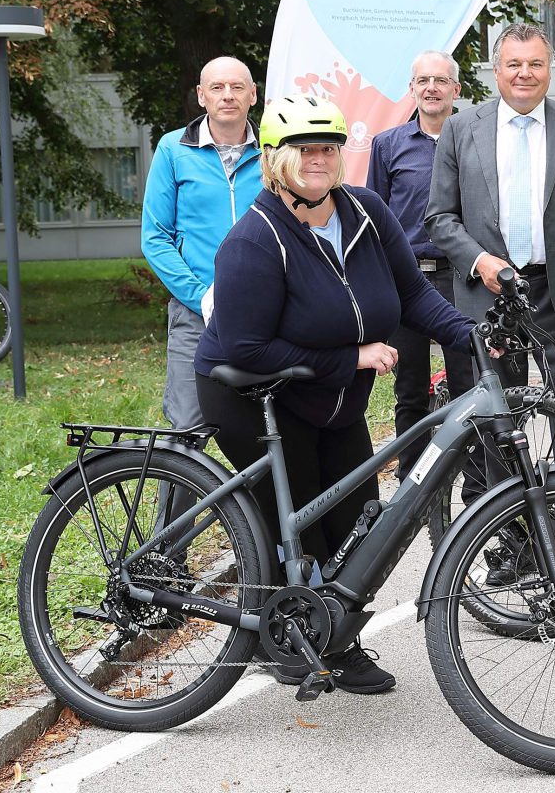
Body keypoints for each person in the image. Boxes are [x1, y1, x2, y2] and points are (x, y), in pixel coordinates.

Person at [195, 94, 474, 692]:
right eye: (304, 148)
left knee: (356, 525)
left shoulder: (366, 212)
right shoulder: (255, 239)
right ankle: (290, 640)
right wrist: (348, 357)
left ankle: (336, 638)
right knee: (298, 525)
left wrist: (469, 335)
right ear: (275, 159)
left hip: (332, 395)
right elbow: (245, 348)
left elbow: (413, 295)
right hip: (253, 395)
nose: (319, 158)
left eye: (328, 146)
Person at [425, 23, 555, 417]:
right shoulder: (460, 129)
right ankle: (506, 483)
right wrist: (480, 261)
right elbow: (440, 217)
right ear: (497, 71)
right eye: (514, 64)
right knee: (496, 421)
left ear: (549, 70)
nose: (524, 73)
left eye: (535, 63)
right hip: (489, 297)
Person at [366, 50, 473, 476]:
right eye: (423, 80)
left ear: (455, 90)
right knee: (409, 391)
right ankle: (414, 479)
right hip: (406, 282)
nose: (431, 87)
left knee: (468, 386)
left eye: (441, 80)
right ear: (412, 89)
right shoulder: (387, 145)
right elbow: (372, 216)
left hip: (460, 279)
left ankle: (478, 486)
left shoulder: (473, 143)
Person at [141, 56, 263, 429]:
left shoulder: (275, 151)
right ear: (201, 96)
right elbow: (155, 237)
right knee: (187, 431)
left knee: (273, 429)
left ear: (253, 95)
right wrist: (201, 296)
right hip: (196, 314)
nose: (228, 95)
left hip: (266, 312)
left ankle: (261, 492)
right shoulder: (173, 149)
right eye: (217, 87)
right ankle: (181, 489)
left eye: (237, 87)